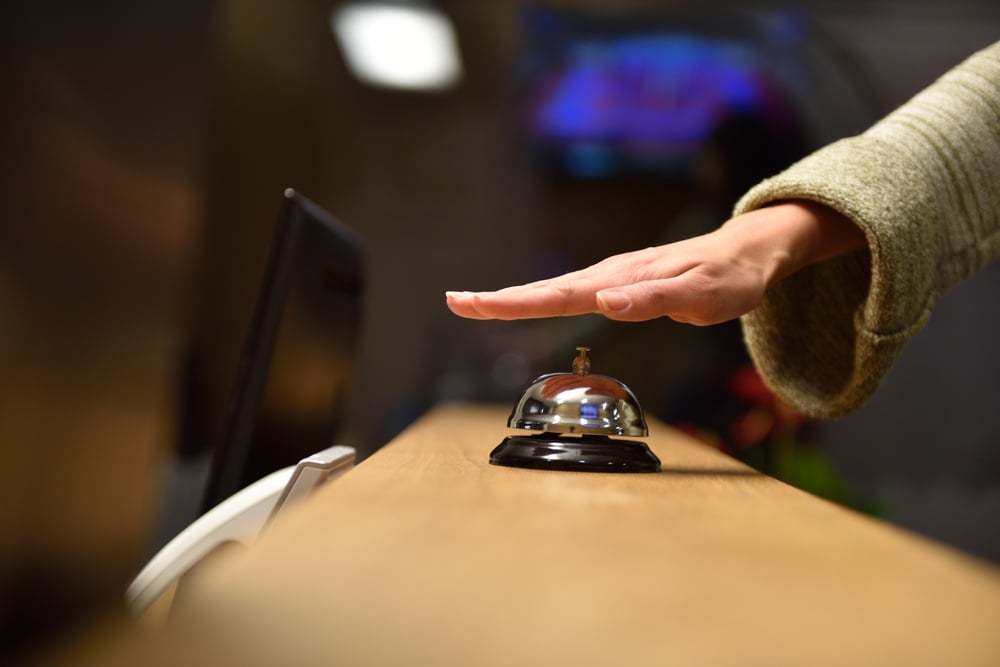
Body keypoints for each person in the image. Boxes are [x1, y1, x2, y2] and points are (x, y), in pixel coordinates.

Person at [447, 41, 1000, 420]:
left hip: (753, 397)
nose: (696, 166)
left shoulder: (717, 217)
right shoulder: (712, 222)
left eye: (709, 153)